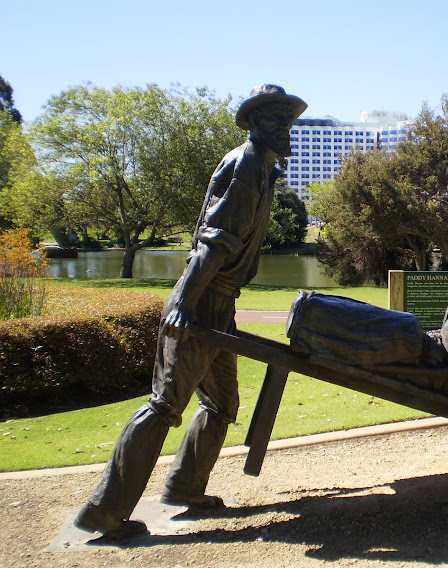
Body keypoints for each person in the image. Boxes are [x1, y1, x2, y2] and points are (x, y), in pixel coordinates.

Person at [74, 85, 307, 540]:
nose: (287, 128)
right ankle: (104, 511)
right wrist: (184, 304)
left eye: (289, 120)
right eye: (278, 120)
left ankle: (184, 487)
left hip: (220, 302)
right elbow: (214, 241)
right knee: (165, 404)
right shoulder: (246, 165)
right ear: (257, 122)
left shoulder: (262, 167)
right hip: (203, 300)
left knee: (221, 404)